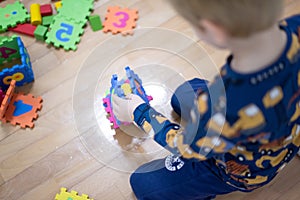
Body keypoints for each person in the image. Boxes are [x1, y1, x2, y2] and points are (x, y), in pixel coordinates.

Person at [112, 0, 300, 199]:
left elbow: (185, 146)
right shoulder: (295, 25)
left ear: (213, 29)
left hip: (239, 170)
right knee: (184, 94)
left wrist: (139, 112)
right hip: (285, 128)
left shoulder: (225, 104)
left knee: (142, 183)